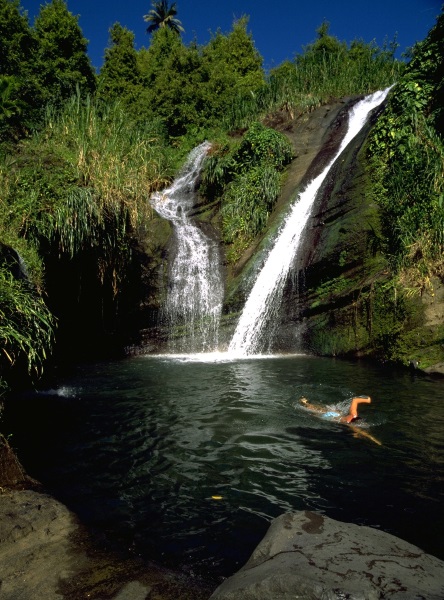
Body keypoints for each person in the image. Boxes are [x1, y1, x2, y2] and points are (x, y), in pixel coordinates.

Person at [300, 395, 372, 423]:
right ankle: (306, 404)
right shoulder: (349, 422)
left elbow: (355, 400)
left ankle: (305, 403)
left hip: (336, 414)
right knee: (315, 413)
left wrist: (367, 400)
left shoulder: (353, 414)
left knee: (320, 409)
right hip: (331, 417)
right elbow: (363, 433)